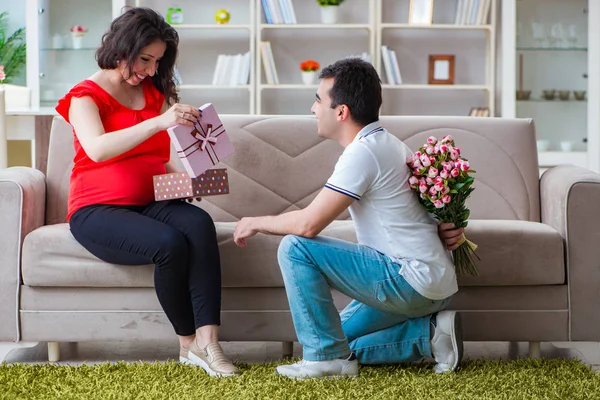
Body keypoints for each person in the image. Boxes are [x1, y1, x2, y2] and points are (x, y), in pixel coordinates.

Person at [233, 58, 465, 379]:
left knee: (295, 247)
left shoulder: (363, 152)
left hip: (409, 281)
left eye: (318, 100)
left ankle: (324, 362)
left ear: (341, 112)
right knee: (336, 337)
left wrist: (254, 222)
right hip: (435, 285)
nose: (313, 108)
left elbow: (308, 225)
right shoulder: (389, 144)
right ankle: (430, 337)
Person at [55, 7, 239, 377]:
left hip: (152, 199)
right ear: (122, 48)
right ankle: (188, 344)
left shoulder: (153, 91)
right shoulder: (84, 96)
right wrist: (160, 121)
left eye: (158, 61)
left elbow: (157, 158)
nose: (152, 70)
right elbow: (98, 149)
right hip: (97, 211)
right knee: (168, 243)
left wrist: (186, 181)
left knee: (199, 224)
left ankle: (210, 343)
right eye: (145, 59)